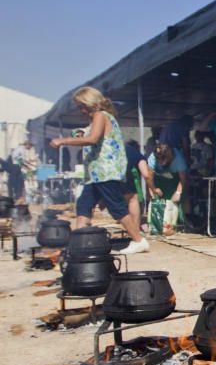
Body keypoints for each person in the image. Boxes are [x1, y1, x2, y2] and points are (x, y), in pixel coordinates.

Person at [49, 87, 149, 254]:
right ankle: (79, 243)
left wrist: (64, 140)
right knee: (83, 205)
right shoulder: (97, 118)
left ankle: (139, 240)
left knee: (116, 207)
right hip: (95, 174)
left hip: (105, 172)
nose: (80, 110)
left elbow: (93, 139)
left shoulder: (100, 115)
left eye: (82, 106)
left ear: (90, 103)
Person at [148, 143, 190, 215]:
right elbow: (149, 177)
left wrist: (178, 192)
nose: (160, 162)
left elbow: (183, 179)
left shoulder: (179, 160)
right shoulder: (152, 158)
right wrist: (153, 190)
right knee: (155, 200)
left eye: (163, 159)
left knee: (181, 197)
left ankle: (186, 217)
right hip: (159, 179)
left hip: (176, 180)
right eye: (158, 159)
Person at [123, 140, 155, 232]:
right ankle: (135, 229)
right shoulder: (137, 157)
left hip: (131, 186)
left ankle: (133, 228)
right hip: (135, 186)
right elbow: (146, 174)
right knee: (135, 204)